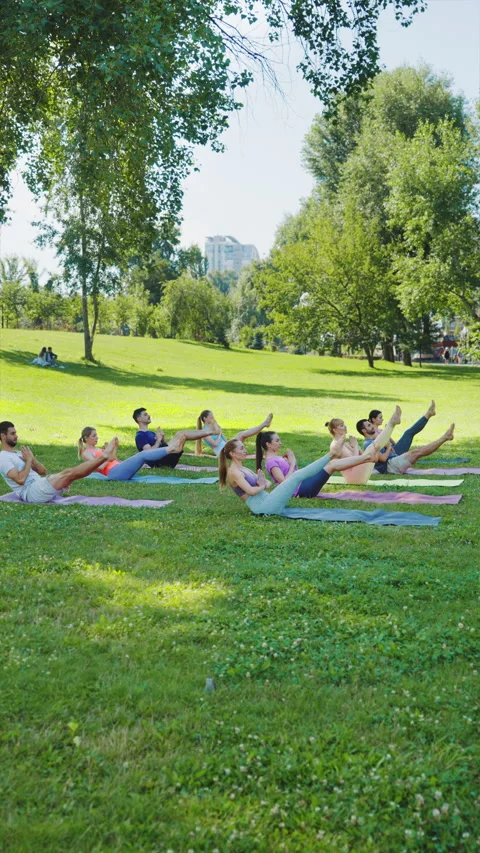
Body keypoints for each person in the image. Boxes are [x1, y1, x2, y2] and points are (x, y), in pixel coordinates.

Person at [219, 438, 378, 515]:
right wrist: (261, 485)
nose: (245, 450)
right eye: (241, 448)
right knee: (296, 477)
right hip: (263, 508)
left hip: (269, 500)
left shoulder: (244, 469)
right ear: (233, 454)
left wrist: (262, 484)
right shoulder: (233, 473)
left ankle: (335, 455)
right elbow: (253, 491)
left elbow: (267, 484)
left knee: (296, 477)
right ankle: (331, 454)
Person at [0, 421, 118, 503]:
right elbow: (20, 480)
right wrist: (28, 460)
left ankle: (103, 457)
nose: (16, 436)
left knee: (69, 472)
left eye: (15, 433)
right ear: (3, 436)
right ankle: (103, 457)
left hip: (38, 483)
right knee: (70, 473)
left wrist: (33, 460)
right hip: (30, 492)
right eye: (12, 434)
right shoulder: (3, 458)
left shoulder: (18, 453)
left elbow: (43, 471)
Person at [325, 406, 402, 484]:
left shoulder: (345, 443)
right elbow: (352, 463)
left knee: (374, 446)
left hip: (360, 474)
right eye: (341, 425)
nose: (345, 426)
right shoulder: (335, 445)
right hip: (354, 478)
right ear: (335, 430)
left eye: (344, 424)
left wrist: (370, 452)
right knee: (373, 445)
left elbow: (366, 458)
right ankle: (391, 424)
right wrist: (356, 447)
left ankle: (392, 424)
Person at [78, 427, 186, 479]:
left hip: (118, 469)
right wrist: (106, 454)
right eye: (94, 436)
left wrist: (113, 448)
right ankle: (172, 449)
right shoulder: (86, 453)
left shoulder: (98, 449)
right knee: (142, 455)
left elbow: (112, 458)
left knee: (140, 456)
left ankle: (173, 449)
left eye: (97, 435)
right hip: (114, 474)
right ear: (86, 438)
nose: (97, 437)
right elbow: (100, 467)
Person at [357, 418, 455, 475]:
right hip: (390, 466)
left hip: (393, 461)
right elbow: (382, 459)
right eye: (369, 426)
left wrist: (389, 447)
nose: (373, 426)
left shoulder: (373, 440)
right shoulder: (368, 445)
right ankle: (445, 437)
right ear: (364, 431)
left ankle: (445, 437)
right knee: (418, 452)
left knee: (418, 452)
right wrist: (388, 448)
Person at [132, 407, 212, 469]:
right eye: (145, 415)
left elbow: (162, 445)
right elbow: (148, 453)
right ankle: (210, 432)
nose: (149, 415)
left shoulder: (150, 433)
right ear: (139, 419)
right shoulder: (140, 436)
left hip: (164, 457)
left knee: (181, 435)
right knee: (181, 434)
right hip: (158, 462)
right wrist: (158, 441)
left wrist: (162, 438)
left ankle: (209, 431)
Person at [195, 410, 273, 457]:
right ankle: (264, 424)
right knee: (241, 435)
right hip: (222, 453)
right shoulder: (204, 432)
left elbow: (224, 439)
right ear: (205, 418)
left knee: (241, 434)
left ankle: (264, 424)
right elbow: (215, 444)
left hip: (226, 447)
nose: (213, 418)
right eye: (211, 417)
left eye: (213, 417)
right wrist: (219, 434)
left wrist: (228, 442)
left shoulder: (214, 426)